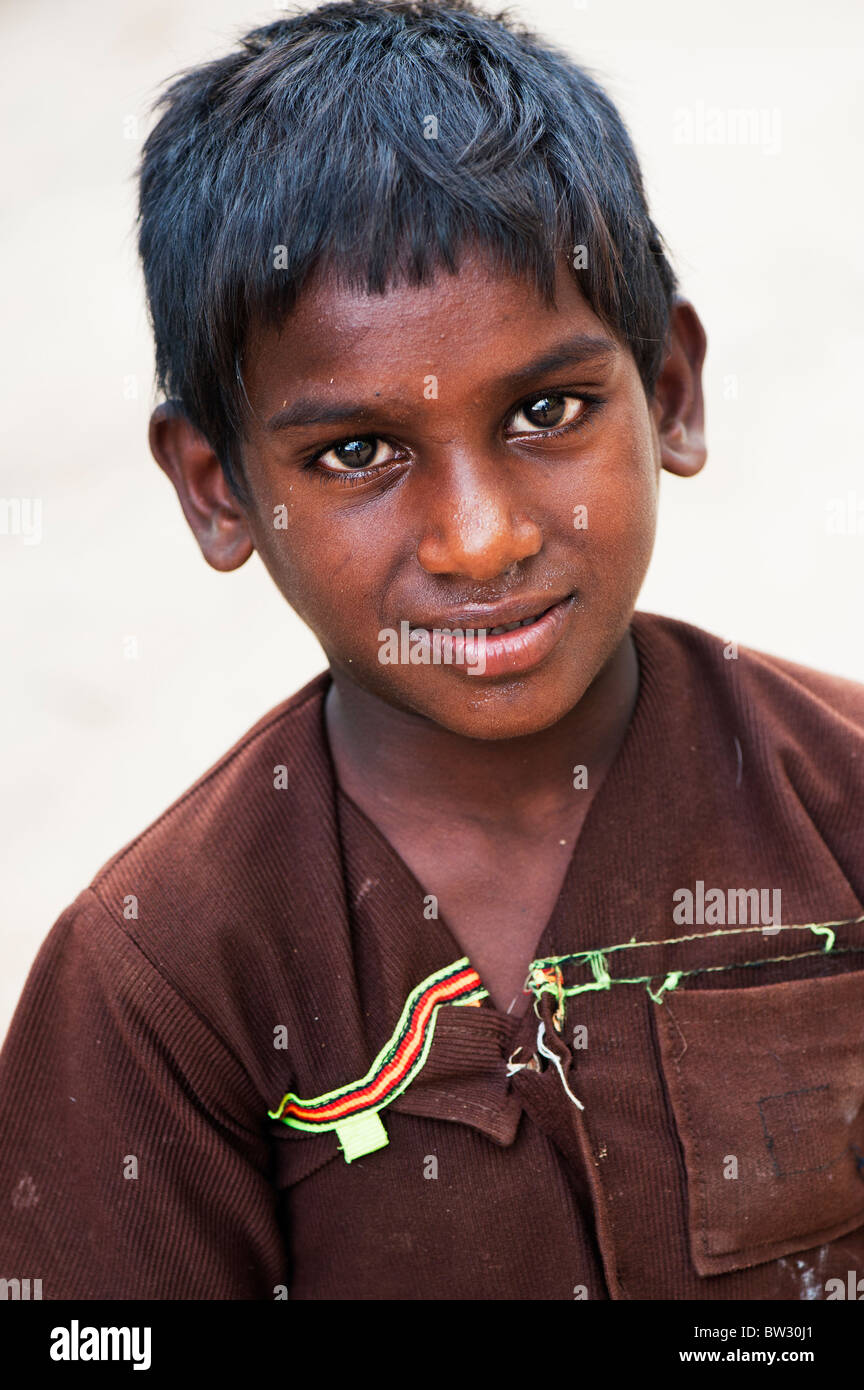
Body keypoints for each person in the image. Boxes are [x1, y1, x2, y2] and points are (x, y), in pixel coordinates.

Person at [2, 0, 863, 1300]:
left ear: (673, 391)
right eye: (357, 453)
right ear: (217, 489)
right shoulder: (157, 983)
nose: (476, 539)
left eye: (547, 410)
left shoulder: (842, 807)